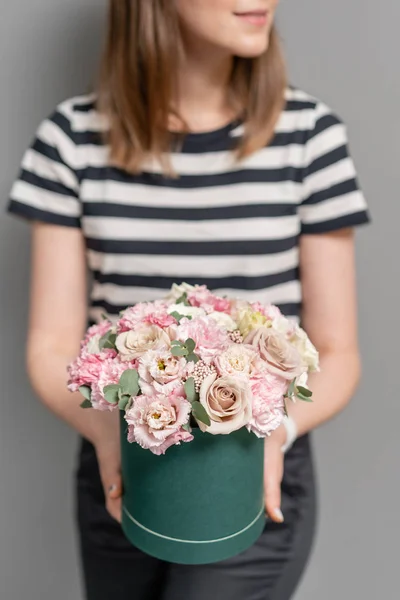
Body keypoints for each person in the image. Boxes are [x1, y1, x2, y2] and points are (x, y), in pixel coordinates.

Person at [7, 1, 370, 599]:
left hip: (256, 466)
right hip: (116, 457)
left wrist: (274, 434)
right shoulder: (70, 139)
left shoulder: (309, 134)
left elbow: (339, 350)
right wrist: (106, 433)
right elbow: (50, 345)